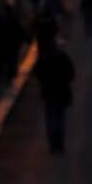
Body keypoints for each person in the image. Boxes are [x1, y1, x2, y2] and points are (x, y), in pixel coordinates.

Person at [34, 16, 76, 154]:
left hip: (48, 92)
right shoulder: (62, 57)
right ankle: (59, 144)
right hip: (61, 92)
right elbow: (71, 73)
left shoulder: (44, 58)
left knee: (50, 118)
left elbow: (37, 73)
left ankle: (53, 145)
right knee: (60, 118)